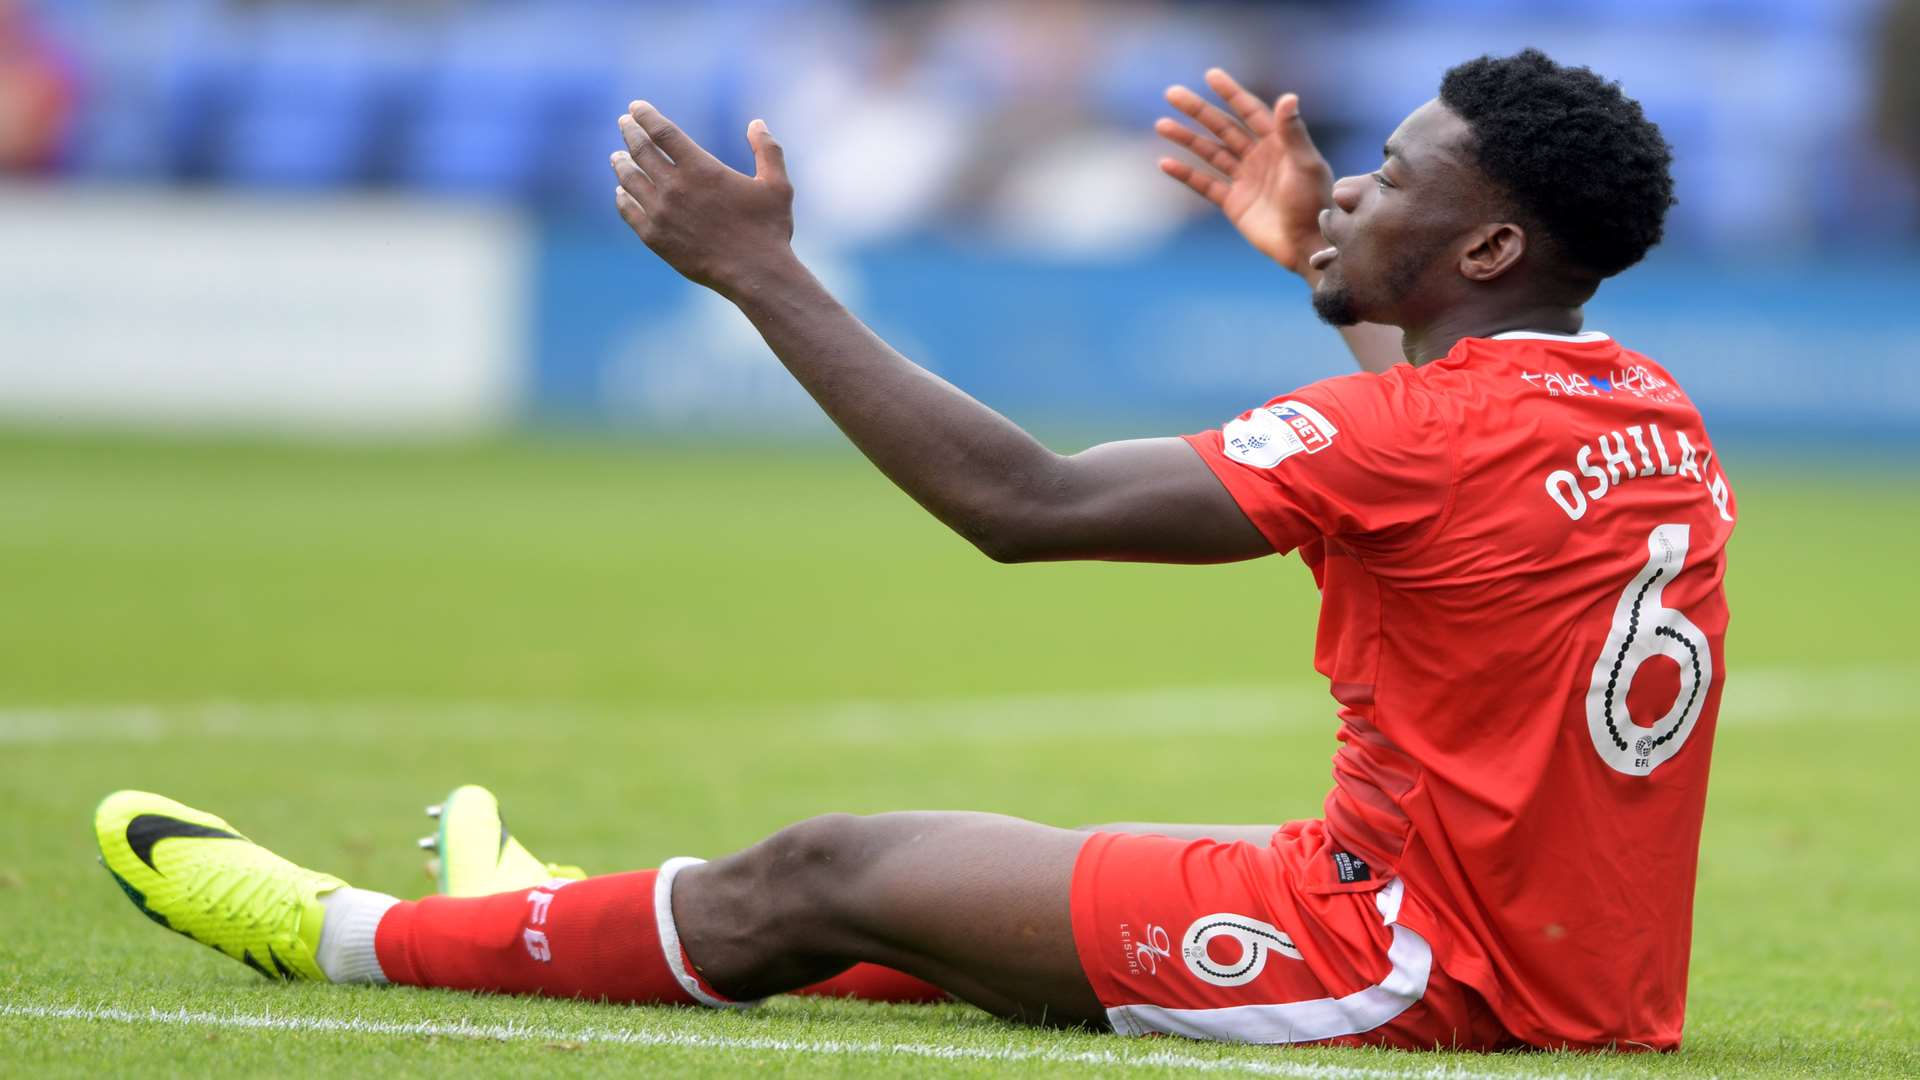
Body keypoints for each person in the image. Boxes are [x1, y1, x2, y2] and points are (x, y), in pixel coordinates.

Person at [96, 48, 1734, 1052]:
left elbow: (1027, 508)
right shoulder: (1644, 410)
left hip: (1406, 967)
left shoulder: (1421, 434)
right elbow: (1438, 458)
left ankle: (338, 934)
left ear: (1491, 244)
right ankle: (569, 920)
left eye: (1388, 180)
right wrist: (1329, 261)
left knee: (838, 869)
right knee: (939, 911)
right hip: (1547, 961)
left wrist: (761, 276)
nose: (1349, 191)